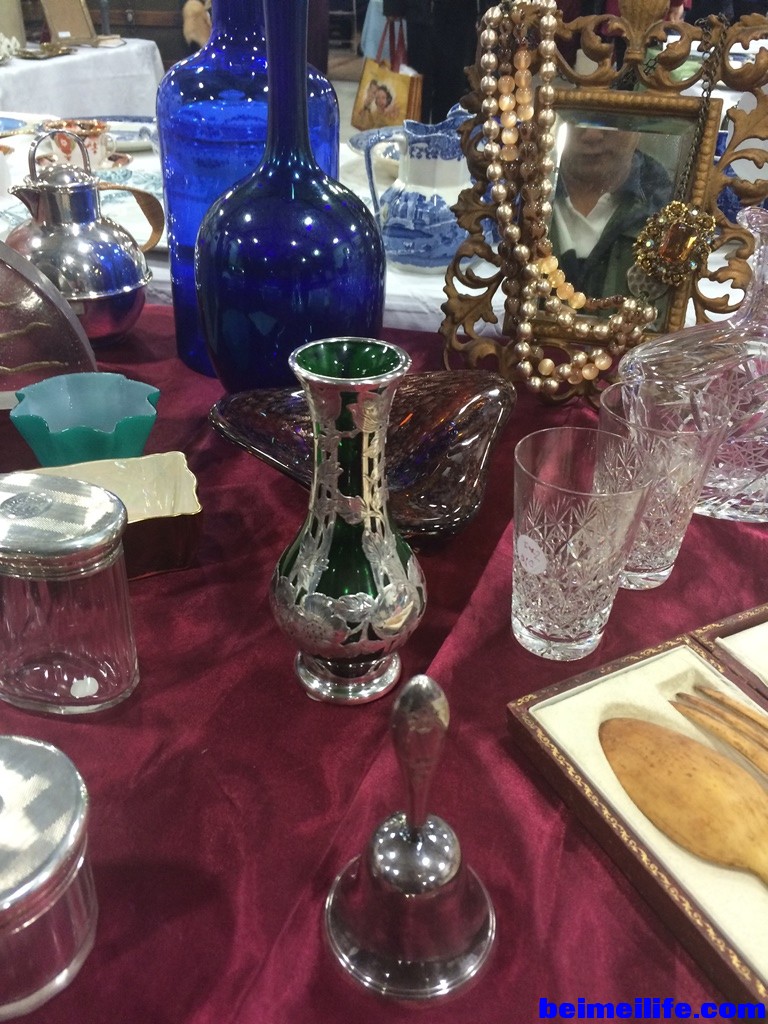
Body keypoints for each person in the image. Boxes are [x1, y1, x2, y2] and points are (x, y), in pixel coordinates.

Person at [549, 123, 674, 300]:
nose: (592, 135)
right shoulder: (519, 201)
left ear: (639, 125)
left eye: (610, 119)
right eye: (576, 118)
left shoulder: (674, 212)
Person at [382, 0, 479, 123]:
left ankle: (445, 130)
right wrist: (392, 6)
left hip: (459, 16)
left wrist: (488, 10)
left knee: (452, 82)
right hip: (419, 14)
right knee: (419, 85)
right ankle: (417, 130)